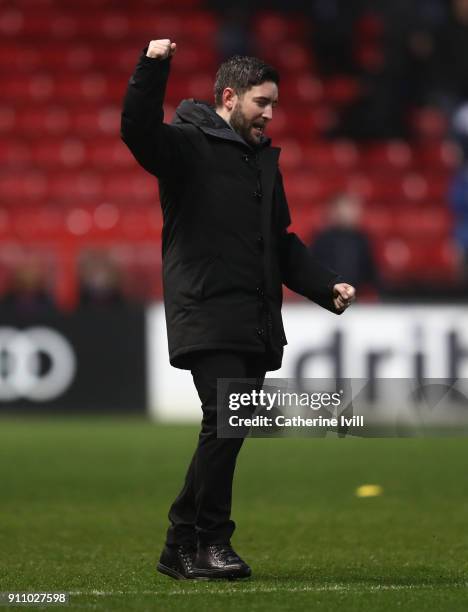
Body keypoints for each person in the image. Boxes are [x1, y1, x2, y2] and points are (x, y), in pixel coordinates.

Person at [121, 39, 356, 581]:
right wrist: (151, 66)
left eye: (274, 104)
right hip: (207, 310)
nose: (271, 114)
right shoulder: (185, 145)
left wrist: (326, 287)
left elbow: (281, 242)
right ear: (229, 98)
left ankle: (179, 544)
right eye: (262, 102)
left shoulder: (262, 164)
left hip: (251, 316)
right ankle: (211, 544)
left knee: (227, 425)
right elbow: (136, 130)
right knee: (227, 422)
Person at [309, 193, 380, 295]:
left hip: (356, 297)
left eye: (351, 209)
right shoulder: (322, 238)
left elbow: (370, 272)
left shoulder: (362, 239)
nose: (348, 213)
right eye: (343, 209)